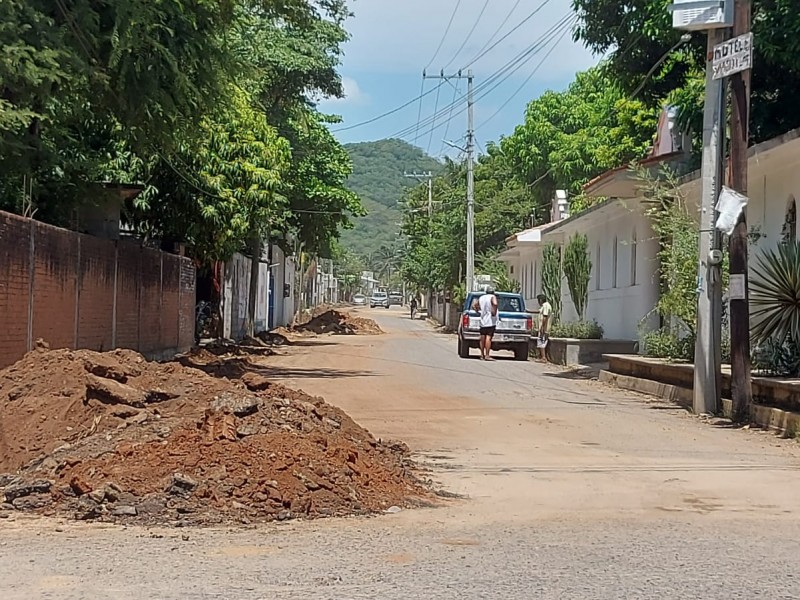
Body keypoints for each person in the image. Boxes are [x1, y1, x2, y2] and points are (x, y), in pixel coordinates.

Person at [478, 287, 499, 361]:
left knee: (482, 337)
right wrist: (494, 312)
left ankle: (481, 355)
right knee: (488, 337)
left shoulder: (481, 298)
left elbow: (474, 305)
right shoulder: (492, 297)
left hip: (483, 320)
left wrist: (478, 312)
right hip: (490, 320)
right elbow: (495, 304)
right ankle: (487, 355)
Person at [536, 293, 552, 361]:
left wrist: (542, 327)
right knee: (541, 341)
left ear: (540, 300)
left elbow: (545, 316)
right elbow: (539, 311)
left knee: (541, 342)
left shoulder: (545, 306)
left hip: (544, 328)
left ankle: (543, 358)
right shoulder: (545, 306)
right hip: (544, 327)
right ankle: (542, 357)